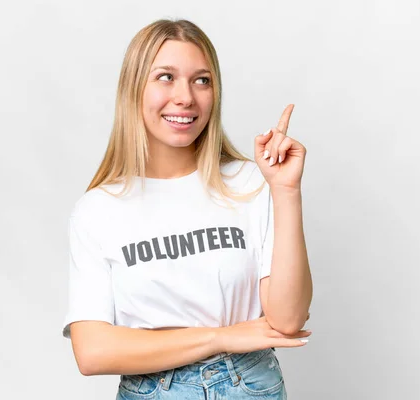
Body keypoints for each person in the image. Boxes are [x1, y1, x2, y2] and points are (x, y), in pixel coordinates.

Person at [62, 18, 313, 399]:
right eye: (166, 77)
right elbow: (93, 351)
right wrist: (220, 337)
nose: (185, 97)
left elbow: (288, 319)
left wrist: (286, 190)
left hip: (248, 386)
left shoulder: (251, 183)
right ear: (134, 89)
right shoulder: (98, 210)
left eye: (202, 80)